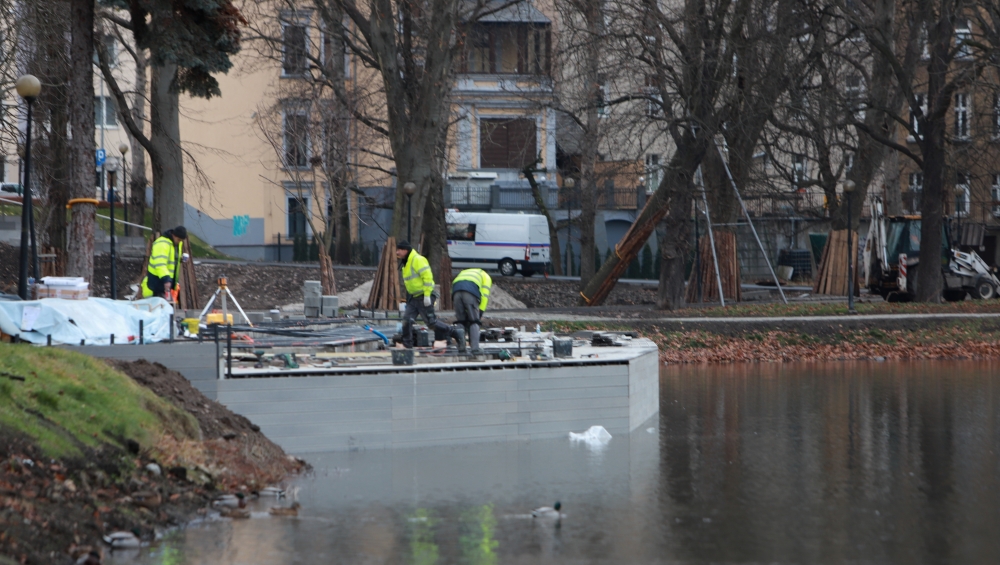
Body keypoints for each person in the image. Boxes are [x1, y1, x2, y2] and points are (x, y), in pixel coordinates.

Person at [396, 240, 465, 351]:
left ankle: (456, 333)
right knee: (407, 320)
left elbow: (427, 278)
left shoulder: (417, 260)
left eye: (399, 250)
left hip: (424, 296)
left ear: (405, 250)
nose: (397, 252)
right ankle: (407, 344)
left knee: (431, 323)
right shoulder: (406, 262)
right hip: (414, 298)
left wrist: (427, 295)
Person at [140, 226, 187, 301]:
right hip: (157, 283)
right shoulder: (162, 244)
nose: (179, 242)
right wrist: (166, 279)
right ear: (174, 235)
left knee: (166, 308)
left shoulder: (173, 243)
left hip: (164, 284)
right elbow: (160, 264)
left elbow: (169, 259)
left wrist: (179, 259)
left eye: (181, 240)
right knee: (160, 308)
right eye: (178, 239)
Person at [452, 268, 492, 354]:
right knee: (474, 322)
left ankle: (461, 348)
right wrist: (480, 312)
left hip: (456, 292)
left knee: (461, 321)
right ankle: (475, 349)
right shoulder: (486, 277)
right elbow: (484, 296)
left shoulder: (463, 272)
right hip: (470, 292)